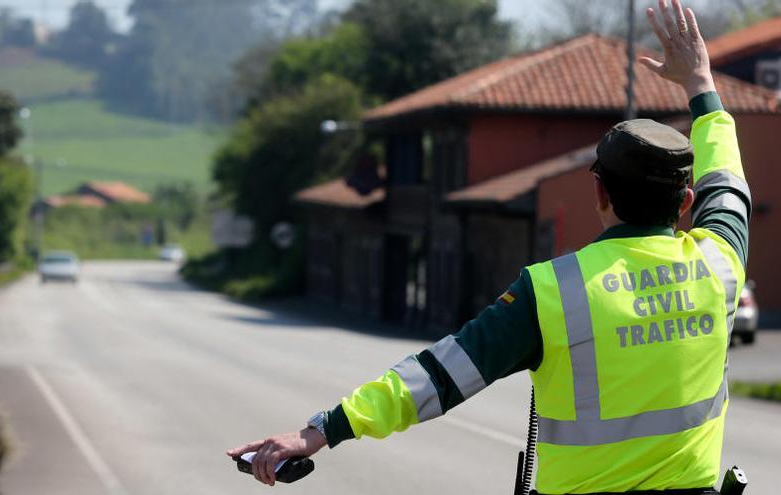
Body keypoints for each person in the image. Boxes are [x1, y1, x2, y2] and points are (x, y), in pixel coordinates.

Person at [227, 0, 751, 493]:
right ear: (685, 201)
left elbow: (438, 376)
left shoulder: (553, 291)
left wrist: (320, 432)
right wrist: (701, 85)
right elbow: (728, 183)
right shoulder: (719, 264)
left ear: (598, 191)